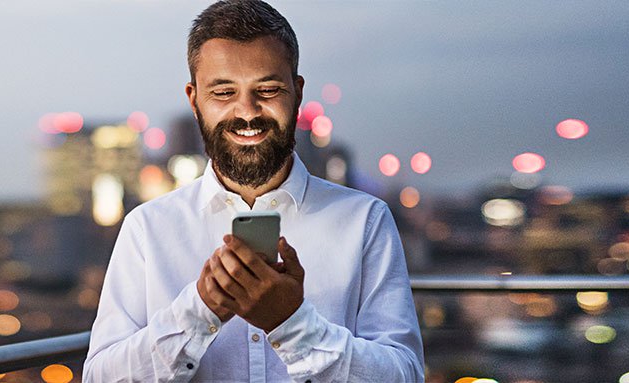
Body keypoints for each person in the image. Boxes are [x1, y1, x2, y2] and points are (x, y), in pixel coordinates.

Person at [83, 1, 424, 381]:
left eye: (267, 88)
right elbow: (100, 377)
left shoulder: (365, 220)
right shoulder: (147, 228)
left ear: (296, 93)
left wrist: (292, 324)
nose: (247, 111)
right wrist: (200, 309)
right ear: (194, 100)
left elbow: (404, 375)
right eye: (224, 92)